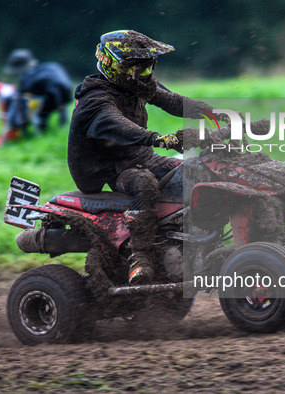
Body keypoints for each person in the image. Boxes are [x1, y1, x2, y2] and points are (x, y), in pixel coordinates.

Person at [68, 30, 220, 285]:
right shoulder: (95, 100)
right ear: (118, 66)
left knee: (196, 170)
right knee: (144, 183)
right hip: (108, 170)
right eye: (140, 69)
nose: (146, 75)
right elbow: (117, 125)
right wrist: (158, 138)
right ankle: (139, 257)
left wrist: (214, 113)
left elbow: (172, 100)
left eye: (148, 68)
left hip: (139, 155)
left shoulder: (133, 85)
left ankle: (188, 239)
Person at [5, 48, 73, 133]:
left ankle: (41, 129)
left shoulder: (34, 78)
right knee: (54, 107)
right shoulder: (50, 67)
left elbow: (53, 90)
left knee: (43, 111)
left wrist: (59, 104)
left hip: (55, 94)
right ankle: (61, 127)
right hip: (66, 91)